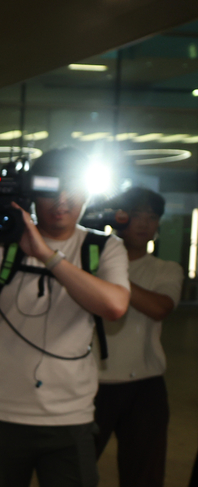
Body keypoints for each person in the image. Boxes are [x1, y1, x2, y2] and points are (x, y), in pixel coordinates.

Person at [0, 147, 130, 487]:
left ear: (87, 193)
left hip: (70, 416)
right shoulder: (3, 245)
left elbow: (115, 306)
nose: (62, 200)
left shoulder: (103, 247)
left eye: (73, 188)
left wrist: (46, 255)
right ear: (33, 194)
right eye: (51, 189)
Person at [94, 187, 184, 487]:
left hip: (145, 385)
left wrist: (113, 276)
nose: (145, 223)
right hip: (92, 382)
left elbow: (160, 308)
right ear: (118, 218)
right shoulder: (91, 261)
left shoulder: (166, 269)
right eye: (136, 215)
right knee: (74, 469)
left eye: (152, 217)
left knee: (144, 475)